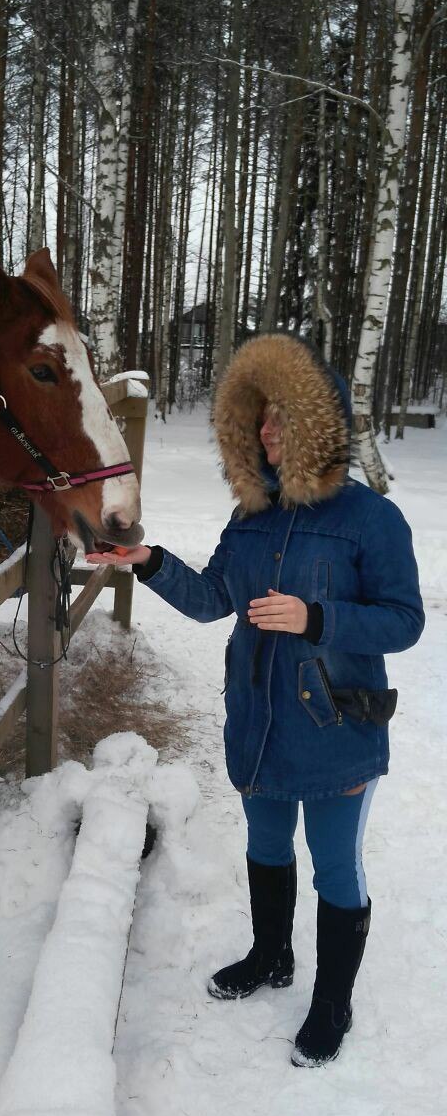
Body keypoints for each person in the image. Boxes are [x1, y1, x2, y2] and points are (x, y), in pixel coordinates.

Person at [87, 333, 424, 1067]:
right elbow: (213, 600)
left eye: (283, 419)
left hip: (337, 730)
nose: (268, 433)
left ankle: (333, 1003)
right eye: (261, 420)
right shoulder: (251, 517)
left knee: (335, 867)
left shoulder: (371, 520)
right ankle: (271, 957)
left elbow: (406, 621)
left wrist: (319, 618)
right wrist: (149, 562)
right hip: (259, 723)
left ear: (319, 425)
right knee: (266, 847)